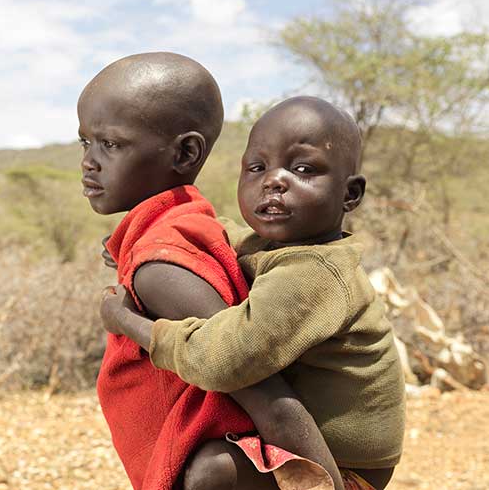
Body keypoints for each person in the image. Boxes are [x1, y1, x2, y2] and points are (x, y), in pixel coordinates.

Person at [100, 96, 406, 490]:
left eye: (303, 169)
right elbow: (219, 233)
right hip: (308, 445)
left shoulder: (315, 273)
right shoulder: (274, 247)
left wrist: (129, 322)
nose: (274, 181)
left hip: (347, 470)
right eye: (257, 167)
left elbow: (224, 361)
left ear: (350, 194)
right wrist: (140, 239)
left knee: (213, 472)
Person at [80, 53, 343, 490]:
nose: (90, 161)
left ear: (186, 152)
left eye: (111, 144)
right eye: (84, 142)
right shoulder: (184, 228)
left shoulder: (162, 267)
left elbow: (267, 396)